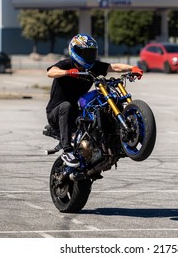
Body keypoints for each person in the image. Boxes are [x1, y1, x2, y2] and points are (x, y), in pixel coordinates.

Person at [46, 33, 143, 167]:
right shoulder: (67, 64)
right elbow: (51, 71)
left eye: (91, 53)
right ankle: (67, 151)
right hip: (56, 114)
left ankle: (117, 140)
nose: (88, 56)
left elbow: (113, 67)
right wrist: (68, 72)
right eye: (85, 53)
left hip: (76, 113)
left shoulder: (91, 67)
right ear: (75, 51)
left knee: (101, 102)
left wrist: (132, 68)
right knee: (66, 106)